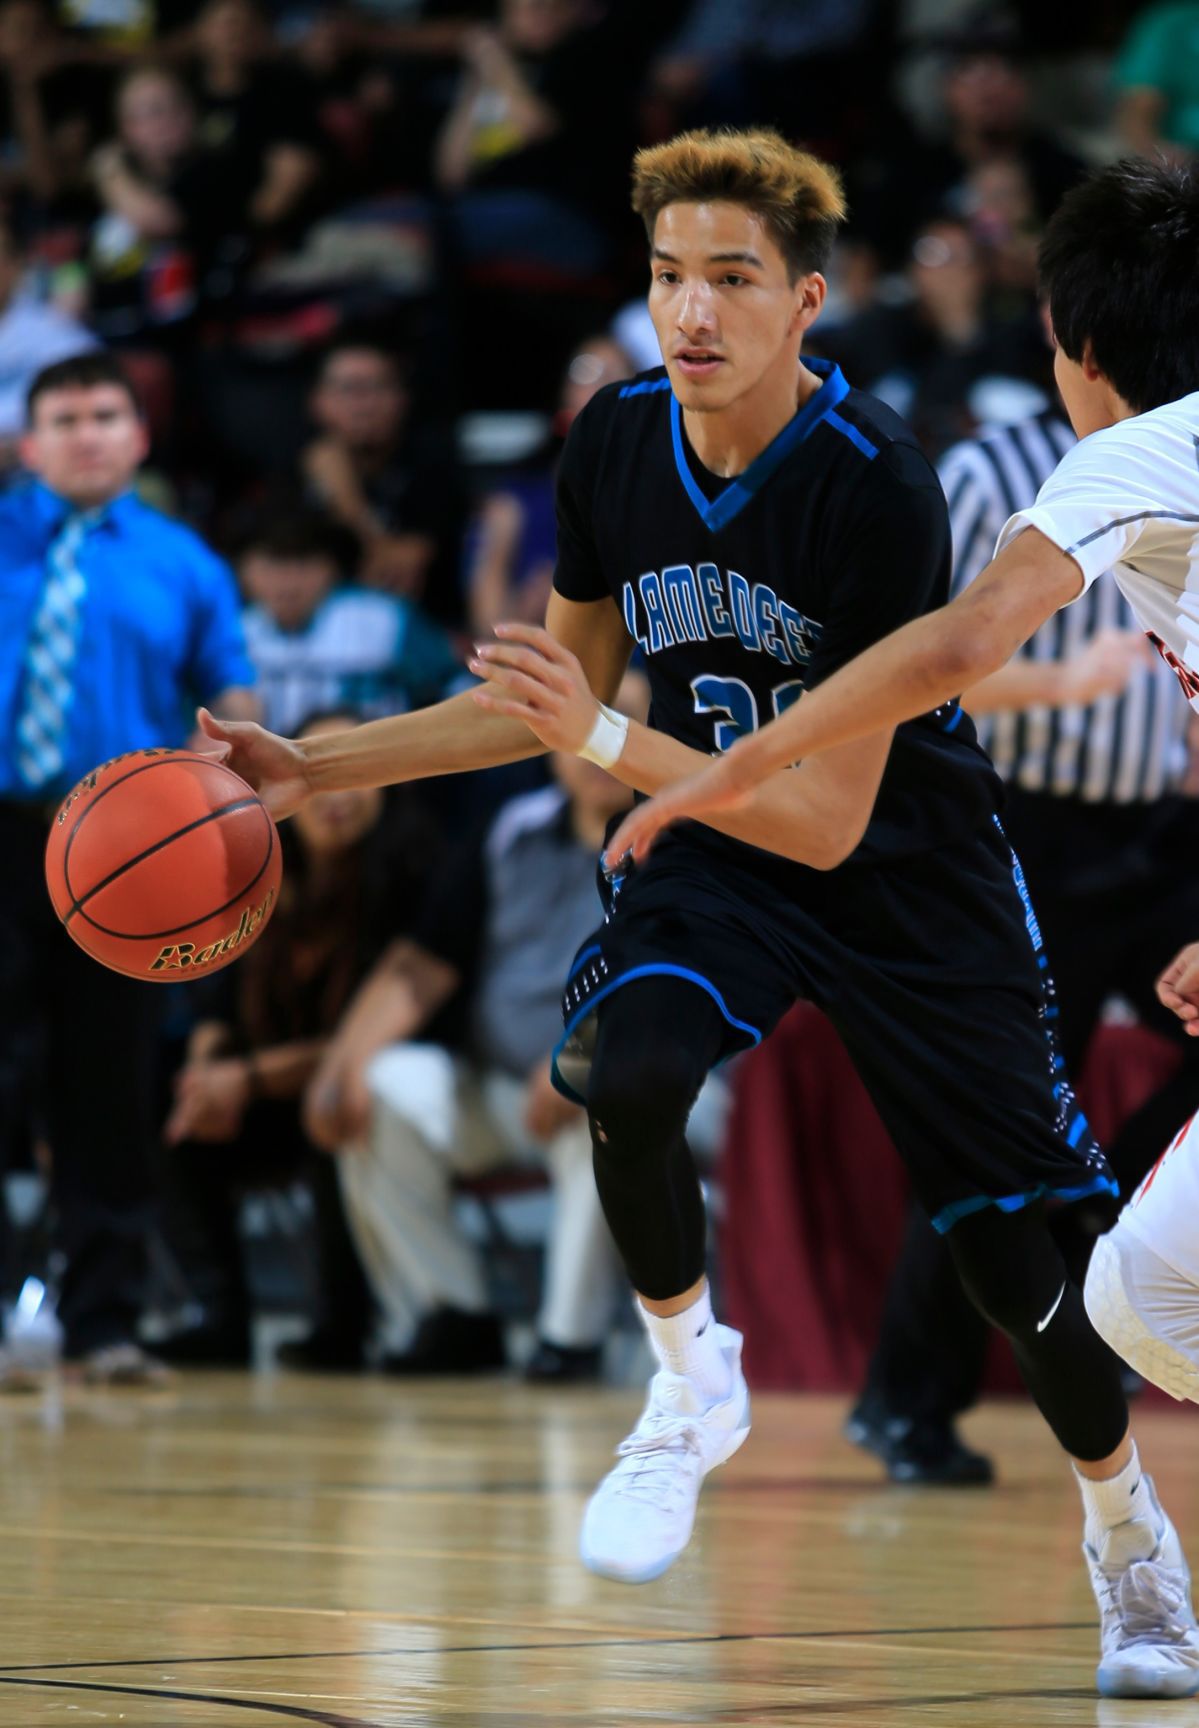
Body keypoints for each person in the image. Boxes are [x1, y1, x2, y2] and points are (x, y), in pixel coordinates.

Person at [198, 132, 1198, 1700]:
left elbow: (815, 812)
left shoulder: (875, 482)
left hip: (899, 874)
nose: (691, 311)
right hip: (708, 833)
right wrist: (309, 769)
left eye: (730, 278)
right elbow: (552, 696)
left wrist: (610, 753)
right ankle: (686, 1385)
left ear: (805, 302)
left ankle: (1125, 1535)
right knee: (625, 1062)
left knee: (1024, 1268)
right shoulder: (609, 444)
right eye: (667, 277)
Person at [849, 399, 1199, 1485]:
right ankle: (904, 1400)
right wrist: (1057, 680)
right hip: (1029, 832)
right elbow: (910, 664)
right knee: (991, 1110)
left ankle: (1117, 1214)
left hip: (1158, 836)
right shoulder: (985, 470)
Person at [0, 349, 258, 1384]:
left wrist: (233, 803)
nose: (86, 433)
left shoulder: (186, 562)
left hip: (122, 848)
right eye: (63, 418)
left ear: (140, 435)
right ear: (29, 442)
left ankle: (104, 1325)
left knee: (108, 1082)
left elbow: (232, 704)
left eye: (106, 414)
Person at [301, 676, 650, 1382]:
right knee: (381, 1087)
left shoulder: (685, 837)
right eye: (585, 722)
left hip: (652, 1087)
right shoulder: (508, 829)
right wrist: (340, 1066)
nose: (595, 743)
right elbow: (424, 962)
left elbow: (672, 978)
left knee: (601, 1105)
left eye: (623, 720)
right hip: (503, 1089)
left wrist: (579, 1056)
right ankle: (452, 1313)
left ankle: (568, 1339)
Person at [157, 710, 442, 1370]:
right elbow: (215, 991)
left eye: (355, 771)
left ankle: (342, 1328)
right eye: (324, 770)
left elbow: (361, 1036)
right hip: (263, 1081)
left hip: (364, 1081)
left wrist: (247, 1078)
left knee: (331, 1103)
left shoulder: (413, 867)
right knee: (167, 1094)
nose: (337, 796)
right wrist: (207, 1064)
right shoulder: (256, 863)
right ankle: (217, 1315)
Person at [238, 512, 466, 737]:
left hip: (375, 765)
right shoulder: (231, 629)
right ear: (243, 569)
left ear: (331, 568)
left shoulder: (383, 618)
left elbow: (457, 688)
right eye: (271, 565)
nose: (287, 583)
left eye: (302, 564)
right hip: (262, 771)